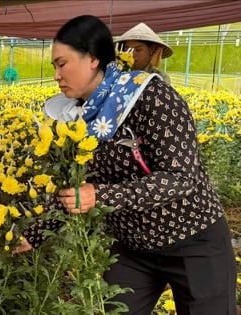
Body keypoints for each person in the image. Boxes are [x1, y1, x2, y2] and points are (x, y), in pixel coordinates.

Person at [14, 15, 237, 314]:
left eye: (62, 64)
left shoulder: (151, 97)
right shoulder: (77, 116)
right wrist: (35, 234)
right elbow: (78, 189)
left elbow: (181, 178)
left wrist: (101, 196)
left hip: (191, 240)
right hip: (133, 248)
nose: (56, 75)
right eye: (54, 66)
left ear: (92, 59)